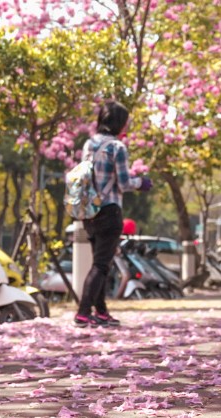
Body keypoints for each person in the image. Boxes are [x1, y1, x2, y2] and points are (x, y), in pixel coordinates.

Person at [74, 100, 151, 327]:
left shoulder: (89, 145)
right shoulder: (117, 148)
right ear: (118, 123)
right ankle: (82, 311)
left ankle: (101, 312)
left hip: (89, 211)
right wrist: (142, 183)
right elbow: (125, 183)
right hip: (109, 210)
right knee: (101, 264)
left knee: (100, 262)